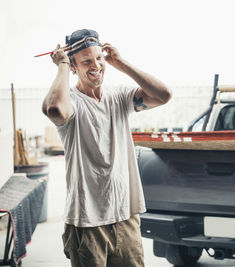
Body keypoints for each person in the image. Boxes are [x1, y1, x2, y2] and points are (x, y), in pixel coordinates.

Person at [41, 29, 172, 267]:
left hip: (125, 215)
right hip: (87, 220)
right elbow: (54, 110)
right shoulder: (71, 102)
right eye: (87, 61)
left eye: (99, 58)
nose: (96, 65)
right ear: (74, 66)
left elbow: (163, 95)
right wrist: (60, 65)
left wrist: (121, 63)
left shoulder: (120, 97)